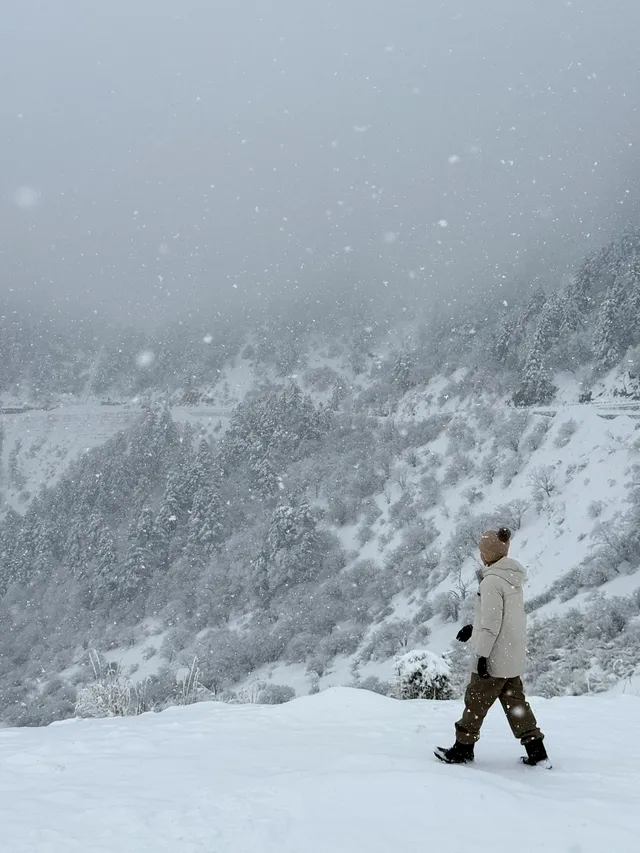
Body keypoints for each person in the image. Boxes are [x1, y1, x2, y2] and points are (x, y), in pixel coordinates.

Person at [435, 527, 550, 767]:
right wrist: (473, 627)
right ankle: (536, 751)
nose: (480, 555)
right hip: (511, 654)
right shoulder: (512, 579)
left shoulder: (492, 582)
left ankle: (462, 749)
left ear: (489, 553)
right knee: (516, 704)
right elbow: (504, 619)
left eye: (482, 551)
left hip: (495, 655)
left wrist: (482, 656)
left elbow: (491, 625)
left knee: (475, 702)